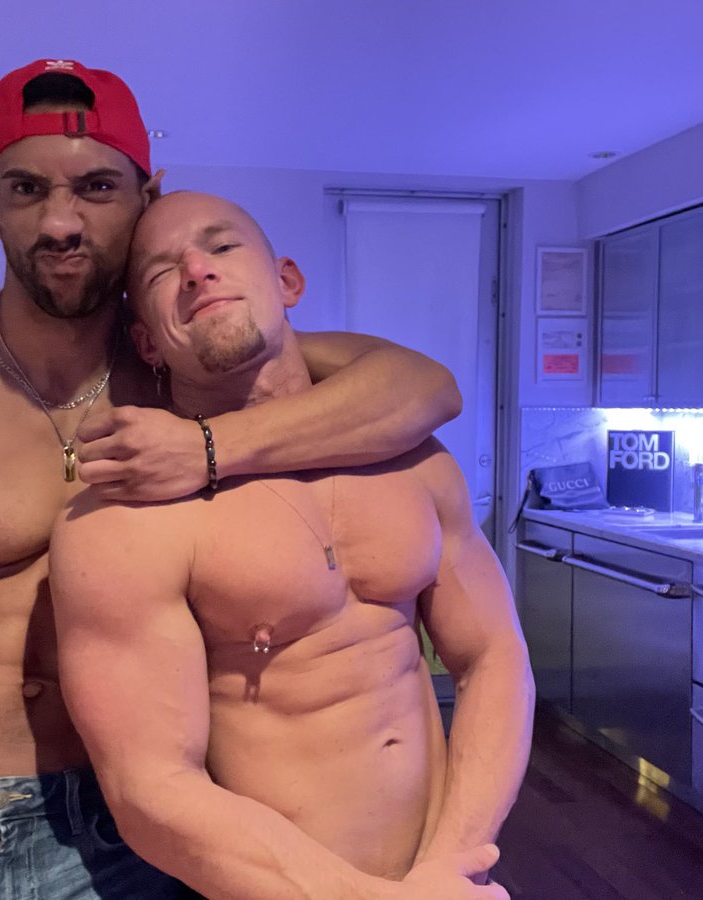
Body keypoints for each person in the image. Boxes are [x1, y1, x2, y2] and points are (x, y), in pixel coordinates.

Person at [0, 59, 464, 900]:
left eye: (97, 187)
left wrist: (206, 447)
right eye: (27, 189)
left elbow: (423, 387)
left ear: (147, 194)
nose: (61, 222)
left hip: (135, 828)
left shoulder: (189, 363)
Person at [50, 190, 535, 900]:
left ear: (288, 282)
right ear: (147, 341)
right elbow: (149, 788)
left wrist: (454, 860)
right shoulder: (121, 520)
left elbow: (494, 657)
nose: (197, 271)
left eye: (222, 246)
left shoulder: (415, 460)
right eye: (161, 271)